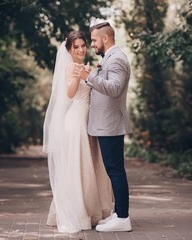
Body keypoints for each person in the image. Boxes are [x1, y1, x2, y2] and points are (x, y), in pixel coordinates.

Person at [42, 31, 113, 233]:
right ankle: (80, 214)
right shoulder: (71, 67)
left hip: (88, 122)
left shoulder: (85, 65)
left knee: (89, 166)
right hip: (76, 123)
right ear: (69, 50)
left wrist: (89, 74)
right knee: (78, 167)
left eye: (83, 45)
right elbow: (70, 94)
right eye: (77, 47)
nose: (81, 49)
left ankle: (92, 211)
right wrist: (79, 76)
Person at [75, 22, 133, 232]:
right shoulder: (109, 58)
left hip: (110, 124)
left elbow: (115, 89)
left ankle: (123, 218)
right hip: (105, 124)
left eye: (94, 40)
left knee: (116, 171)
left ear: (105, 38)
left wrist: (89, 77)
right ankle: (118, 213)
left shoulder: (116, 59)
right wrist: (94, 76)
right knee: (113, 170)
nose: (92, 44)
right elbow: (105, 84)